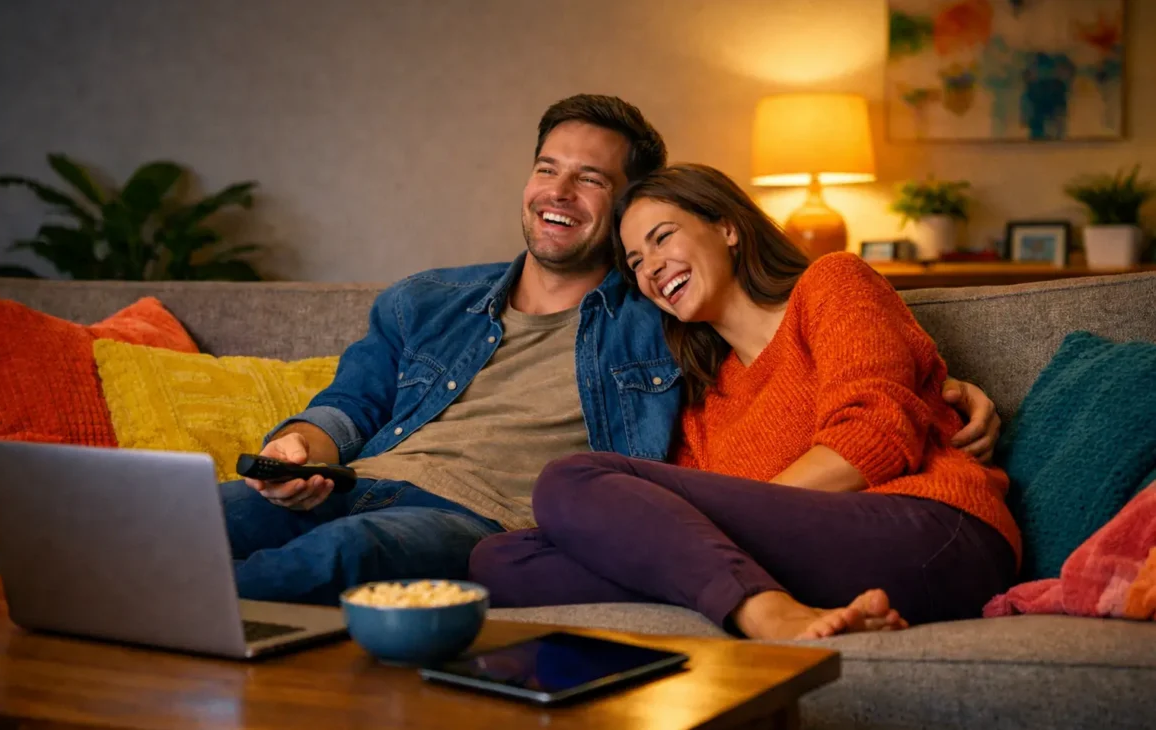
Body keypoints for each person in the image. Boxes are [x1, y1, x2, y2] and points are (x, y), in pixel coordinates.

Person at [222, 96, 1001, 606]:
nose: (559, 193)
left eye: (591, 181)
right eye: (547, 169)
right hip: (360, 482)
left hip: (917, 525)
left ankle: (178, 617)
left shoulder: (664, 320)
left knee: (563, 489)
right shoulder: (696, 376)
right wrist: (300, 445)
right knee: (502, 566)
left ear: (723, 224)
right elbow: (351, 403)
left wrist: (934, 382)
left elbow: (869, 410)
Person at [468, 164, 1021, 640]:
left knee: (571, 479)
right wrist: (702, 544)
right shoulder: (702, 404)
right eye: (635, 261)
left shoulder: (831, 283)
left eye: (662, 238)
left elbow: (872, 442)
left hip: (932, 535)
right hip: (814, 570)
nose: (651, 268)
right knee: (502, 559)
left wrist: (718, 530)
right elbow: (671, 536)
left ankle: (764, 615)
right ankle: (764, 603)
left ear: (727, 227)